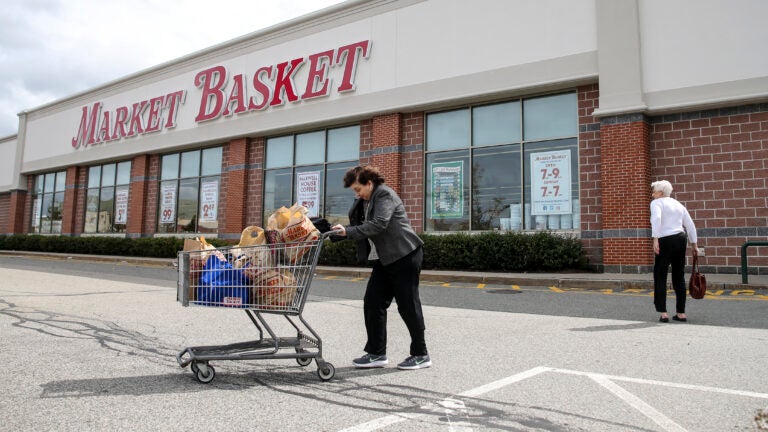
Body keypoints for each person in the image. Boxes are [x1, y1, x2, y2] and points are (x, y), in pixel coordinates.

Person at [331, 165, 431, 370]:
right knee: (373, 302)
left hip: (404, 255)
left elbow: (379, 224)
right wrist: (336, 231)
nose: (356, 194)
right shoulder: (366, 201)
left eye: (358, 189)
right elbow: (358, 224)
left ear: (370, 183)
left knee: (408, 305)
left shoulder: (384, 194)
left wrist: (348, 232)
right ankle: (377, 353)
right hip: (384, 259)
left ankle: (421, 354)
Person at [650, 180, 698, 323]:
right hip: (680, 239)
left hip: (665, 239)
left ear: (660, 192)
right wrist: (694, 244)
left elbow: (657, 218)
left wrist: (655, 238)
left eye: (653, 191)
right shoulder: (678, 204)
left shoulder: (657, 203)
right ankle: (681, 312)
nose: (652, 194)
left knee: (660, 274)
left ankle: (663, 312)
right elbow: (690, 224)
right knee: (679, 275)